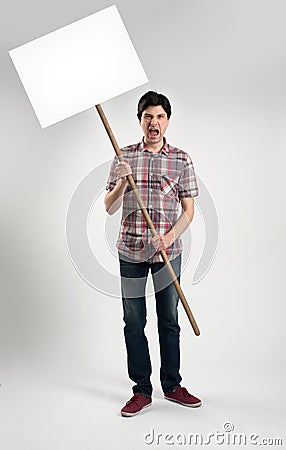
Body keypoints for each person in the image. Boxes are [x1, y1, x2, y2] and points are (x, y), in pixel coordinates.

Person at [105, 91, 202, 417]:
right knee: (133, 322)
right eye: (148, 116)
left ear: (167, 121)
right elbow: (109, 207)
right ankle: (141, 390)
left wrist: (170, 236)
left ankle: (172, 385)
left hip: (167, 254)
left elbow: (188, 210)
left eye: (160, 116)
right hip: (130, 252)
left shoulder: (181, 159)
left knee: (169, 320)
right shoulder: (124, 156)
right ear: (140, 120)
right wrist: (121, 182)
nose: (154, 122)